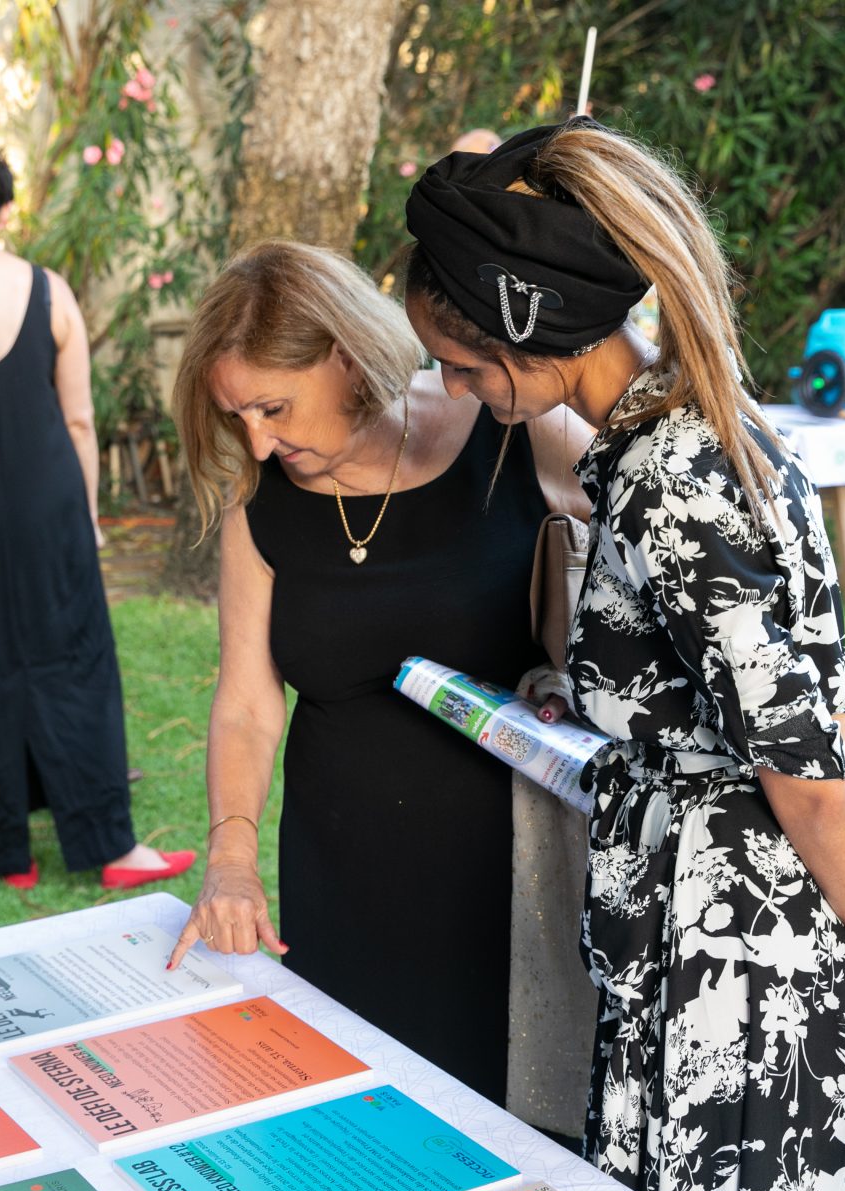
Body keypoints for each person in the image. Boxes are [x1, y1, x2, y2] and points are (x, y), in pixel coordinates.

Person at [403, 116, 845, 1191]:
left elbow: (805, 766)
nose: (449, 388)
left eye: (460, 362)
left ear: (529, 330)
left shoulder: (669, 478)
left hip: (734, 971)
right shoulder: (681, 437)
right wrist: (584, 690)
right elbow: (767, 692)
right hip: (704, 938)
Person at [166, 240, 595, 1107]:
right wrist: (232, 857)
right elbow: (248, 701)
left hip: (511, 876)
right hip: (341, 872)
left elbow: (639, 610)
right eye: (237, 414)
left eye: (274, 406)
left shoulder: (516, 428)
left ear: (345, 355)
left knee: (513, 1136)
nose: (257, 438)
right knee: (356, 1130)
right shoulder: (264, 502)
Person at [0, 142, 191, 891]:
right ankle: (111, 846)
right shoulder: (48, 289)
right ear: (7, 210)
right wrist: (86, 514)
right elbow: (80, 421)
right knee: (76, 662)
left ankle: (4, 852)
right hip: (49, 503)